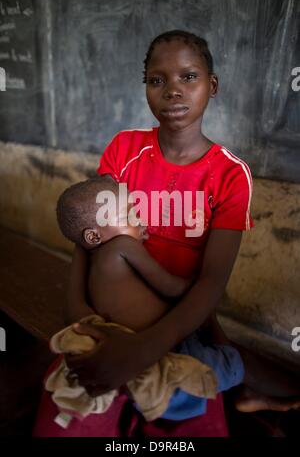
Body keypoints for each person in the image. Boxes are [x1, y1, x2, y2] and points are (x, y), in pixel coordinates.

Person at [33, 30, 300, 438]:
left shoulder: (229, 174)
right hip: (114, 316)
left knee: (195, 404)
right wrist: (80, 320)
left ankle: (248, 385)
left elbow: (210, 283)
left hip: (180, 320)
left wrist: (144, 348)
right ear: (146, 88)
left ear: (212, 86)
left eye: (188, 77)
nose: (173, 91)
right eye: (157, 80)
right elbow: (87, 241)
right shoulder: (124, 150)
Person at [45, 175, 223, 428]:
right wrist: (200, 283)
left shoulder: (94, 256)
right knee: (229, 363)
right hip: (156, 344)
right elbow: (172, 288)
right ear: (94, 237)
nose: (141, 220)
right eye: (130, 216)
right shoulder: (125, 246)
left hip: (121, 341)